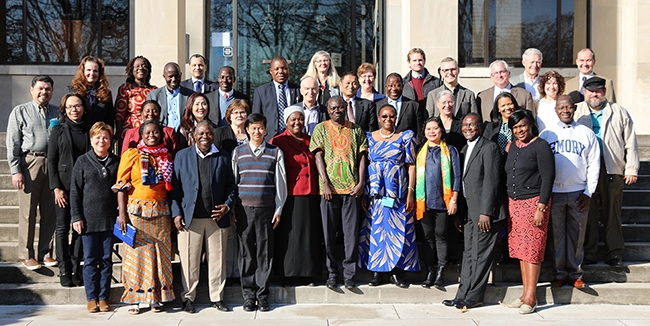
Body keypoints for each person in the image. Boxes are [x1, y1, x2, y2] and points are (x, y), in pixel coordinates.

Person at [171, 120, 237, 314]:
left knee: (217, 259)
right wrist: (176, 213)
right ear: (193, 134)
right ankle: (188, 298)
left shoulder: (223, 157)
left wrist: (227, 206)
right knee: (189, 261)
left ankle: (216, 297)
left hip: (217, 218)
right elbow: (174, 190)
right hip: (189, 219)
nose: (205, 137)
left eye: (208, 133)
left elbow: (231, 187)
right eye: (201, 133)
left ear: (213, 135)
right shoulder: (182, 156)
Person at [442, 113, 504, 310]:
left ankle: (475, 296)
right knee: (468, 254)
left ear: (480, 127)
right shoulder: (463, 149)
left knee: (481, 255)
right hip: (469, 211)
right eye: (465, 125)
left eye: (472, 125)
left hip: (485, 213)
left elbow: (492, 181)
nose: (468, 128)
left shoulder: (489, 147)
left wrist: (486, 212)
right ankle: (462, 295)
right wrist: (460, 212)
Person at [574, 77, 638, 266]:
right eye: (591, 91)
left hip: (612, 167)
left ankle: (614, 253)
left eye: (599, 90)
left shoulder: (619, 112)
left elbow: (631, 142)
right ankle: (589, 252)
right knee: (589, 212)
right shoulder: (577, 111)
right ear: (585, 92)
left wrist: (632, 168)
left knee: (612, 212)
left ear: (604, 92)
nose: (595, 94)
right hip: (586, 170)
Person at [539, 95, 600, 289]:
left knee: (577, 235)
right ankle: (559, 273)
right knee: (556, 236)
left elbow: (594, 163)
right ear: (556, 110)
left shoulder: (586, 133)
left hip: (578, 193)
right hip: (555, 193)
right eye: (561, 108)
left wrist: (589, 192)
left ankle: (575, 274)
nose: (565, 111)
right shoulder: (547, 134)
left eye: (569, 108)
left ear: (574, 109)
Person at [116, 121, 175, 314]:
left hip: (161, 213)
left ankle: (155, 297)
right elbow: (121, 186)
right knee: (136, 256)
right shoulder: (131, 155)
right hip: (136, 213)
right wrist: (122, 213)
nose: (152, 135)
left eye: (156, 132)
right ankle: (135, 298)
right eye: (148, 132)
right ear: (141, 134)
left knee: (159, 255)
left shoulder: (166, 156)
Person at [311, 96, 368, 290]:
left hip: (351, 190)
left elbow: (362, 157)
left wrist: (361, 183)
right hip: (328, 191)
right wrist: (325, 183)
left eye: (340, 107)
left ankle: (349, 274)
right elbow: (318, 156)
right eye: (333, 108)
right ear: (328, 110)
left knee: (350, 234)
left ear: (345, 108)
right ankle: (332, 273)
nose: (337, 110)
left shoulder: (356, 129)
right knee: (328, 234)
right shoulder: (320, 129)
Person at [358, 104, 419, 288]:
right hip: (375, 195)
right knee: (376, 230)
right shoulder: (369, 138)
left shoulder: (405, 137)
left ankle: (395, 272)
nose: (388, 120)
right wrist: (363, 193)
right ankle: (377, 271)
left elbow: (411, 165)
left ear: (396, 117)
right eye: (384, 116)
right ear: (378, 118)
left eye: (391, 116)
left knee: (397, 230)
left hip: (397, 193)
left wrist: (410, 191)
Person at [232, 113, 287, 312]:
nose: (257, 131)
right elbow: (233, 182)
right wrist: (233, 210)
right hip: (243, 210)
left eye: (260, 128)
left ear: (266, 129)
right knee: (246, 254)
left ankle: (263, 296)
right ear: (247, 129)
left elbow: (281, 184)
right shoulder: (238, 152)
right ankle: (248, 296)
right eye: (253, 128)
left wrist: (278, 208)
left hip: (266, 210)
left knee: (264, 254)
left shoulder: (275, 152)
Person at [502, 109, 555, 314]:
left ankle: (531, 298)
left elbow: (548, 178)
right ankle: (524, 294)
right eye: (515, 127)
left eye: (523, 125)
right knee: (522, 250)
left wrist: (541, 207)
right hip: (515, 204)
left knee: (533, 251)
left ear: (531, 124)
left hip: (534, 204)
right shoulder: (512, 147)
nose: (520, 130)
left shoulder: (541, 146)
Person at [6, 75, 58, 271]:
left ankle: (45, 252)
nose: (44, 92)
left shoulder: (56, 112)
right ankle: (26, 254)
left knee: (49, 211)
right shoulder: (20, 112)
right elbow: (13, 143)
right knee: (28, 212)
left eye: (48, 89)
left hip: (51, 163)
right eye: (41, 88)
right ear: (32, 90)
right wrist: (15, 170)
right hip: (30, 163)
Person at [69, 122, 120, 313]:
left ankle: (103, 297)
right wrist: (76, 217)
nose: (101, 141)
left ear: (110, 141)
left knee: (106, 259)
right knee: (90, 259)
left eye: (105, 137)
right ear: (91, 140)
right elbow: (75, 192)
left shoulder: (116, 161)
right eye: (98, 137)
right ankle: (91, 298)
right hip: (88, 221)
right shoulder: (82, 161)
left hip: (109, 219)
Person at [269, 106, 322, 286]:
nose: (297, 122)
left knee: (308, 235)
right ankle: (287, 274)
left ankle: (308, 273)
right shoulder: (278, 140)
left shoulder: (311, 139)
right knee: (289, 236)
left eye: (300, 118)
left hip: (311, 192)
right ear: (286, 121)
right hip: (290, 193)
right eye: (293, 119)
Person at [48, 93, 91, 287]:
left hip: (85, 186)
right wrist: (56, 188)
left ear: (83, 108)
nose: (74, 109)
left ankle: (76, 267)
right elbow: (51, 161)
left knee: (80, 228)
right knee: (63, 227)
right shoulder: (58, 130)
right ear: (65, 110)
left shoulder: (90, 130)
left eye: (78, 106)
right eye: (70, 107)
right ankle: (64, 269)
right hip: (63, 186)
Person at [415, 116, 461, 289]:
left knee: (440, 235)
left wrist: (454, 200)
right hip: (423, 202)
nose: (432, 131)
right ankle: (430, 271)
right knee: (427, 238)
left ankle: (441, 270)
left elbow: (456, 176)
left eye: (435, 128)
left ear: (441, 130)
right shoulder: (420, 151)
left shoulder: (450, 151)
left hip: (443, 202)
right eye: (428, 129)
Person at [432, 90, 465, 265]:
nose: (447, 105)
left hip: (456, 173)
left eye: (450, 102)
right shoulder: (433, 125)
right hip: (436, 179)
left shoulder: (461, 124)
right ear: (437, 104)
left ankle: (453, 256)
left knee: (455, 216)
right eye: (443, 103)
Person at [252, 56, 301, 141]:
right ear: (271, 71)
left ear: (288, 70)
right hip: (269, 138)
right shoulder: (261, 92)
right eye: (277, 69)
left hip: (293, 137)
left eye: (284, 68)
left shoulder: (297, 90)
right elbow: (256, 118)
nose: (280, 71)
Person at [115, 55, 156, 138]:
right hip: (130, 131)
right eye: (137, 66)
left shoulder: (154, 90)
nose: (140, 68)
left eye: (144, 66)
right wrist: (118, 135)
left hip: (150, 132)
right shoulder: (125, 89)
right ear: (132, 70)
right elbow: (119, 115)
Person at [68, 55, 114, 127]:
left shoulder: (106, 94)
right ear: (83, 72)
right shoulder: (73, 91)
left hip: (98, 136)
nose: (92, 73)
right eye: (88, 70)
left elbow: (109, 120)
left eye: (95, 71)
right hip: (78, 134)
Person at [376, 73, 424, 143]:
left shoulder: (413, 105)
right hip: (384, 146)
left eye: (398, 85)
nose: (394, 88)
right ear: (386, 87)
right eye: (390, 86)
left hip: (407, 148)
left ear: (403, 86)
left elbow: (419, 131)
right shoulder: (377, 106)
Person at [146, 62, 194, 131]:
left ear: (180, 75)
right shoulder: (153, 96)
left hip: (184, 136)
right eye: (170, 76)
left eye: (176, 76)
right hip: (162, 135)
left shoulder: (190, 95)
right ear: (164, 76)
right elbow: (149, 119)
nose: (174, 79)